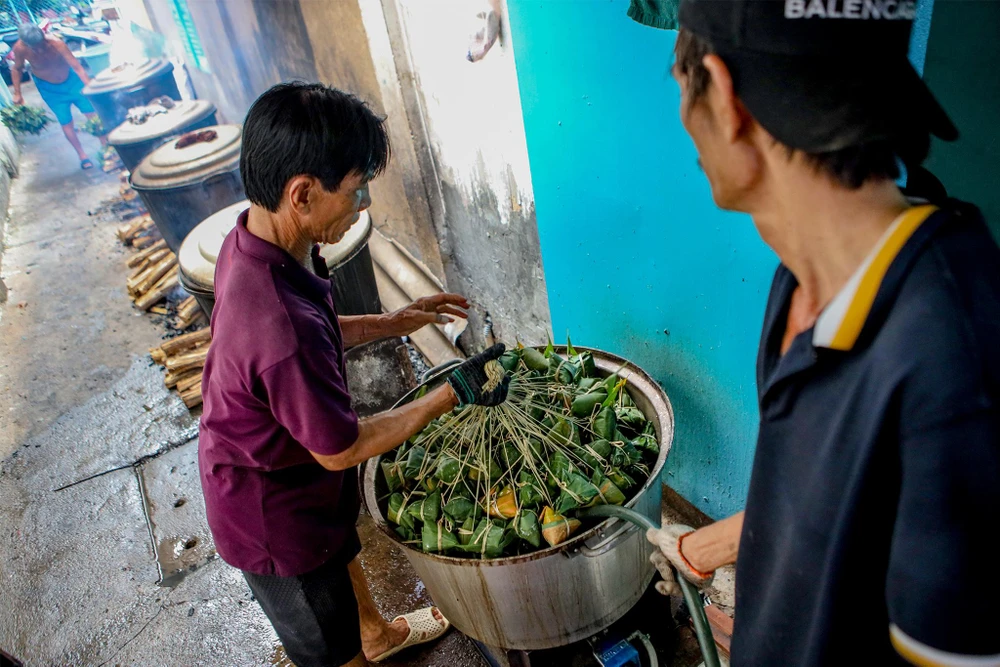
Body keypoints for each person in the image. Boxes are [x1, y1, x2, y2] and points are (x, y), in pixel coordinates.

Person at [644, 1, 999, 665]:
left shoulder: (954, 362)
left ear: (724, 98)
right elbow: (838, 510)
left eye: (678, 72)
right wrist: (723, 571)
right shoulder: (804, 281)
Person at [198, 82, 510, 667]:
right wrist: (452, 393)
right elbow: (344, 449)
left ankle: (377, 632)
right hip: (274, 518)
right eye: (356, 189)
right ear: (303, 193)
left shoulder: (258, 241)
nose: (364, 204)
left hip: (298, 477)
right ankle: (355, 650)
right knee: (330, 644)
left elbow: (319, 327)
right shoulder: (276, 326)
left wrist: (391, 322)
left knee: (341, 549)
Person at [10, 23, 105, 169]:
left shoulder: (57, 43)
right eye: (35, 48)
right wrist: (17, 93)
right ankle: (82, 155)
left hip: (72, 82)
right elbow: (17, 69)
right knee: (66, 121)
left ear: (44, 37)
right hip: (49, 89)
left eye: (42, 45)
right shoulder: (20, 49)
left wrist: (88, 85)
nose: (40, 50)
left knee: (92, 115)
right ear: (25, 44)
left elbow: (77, 67)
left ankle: (106, 148)